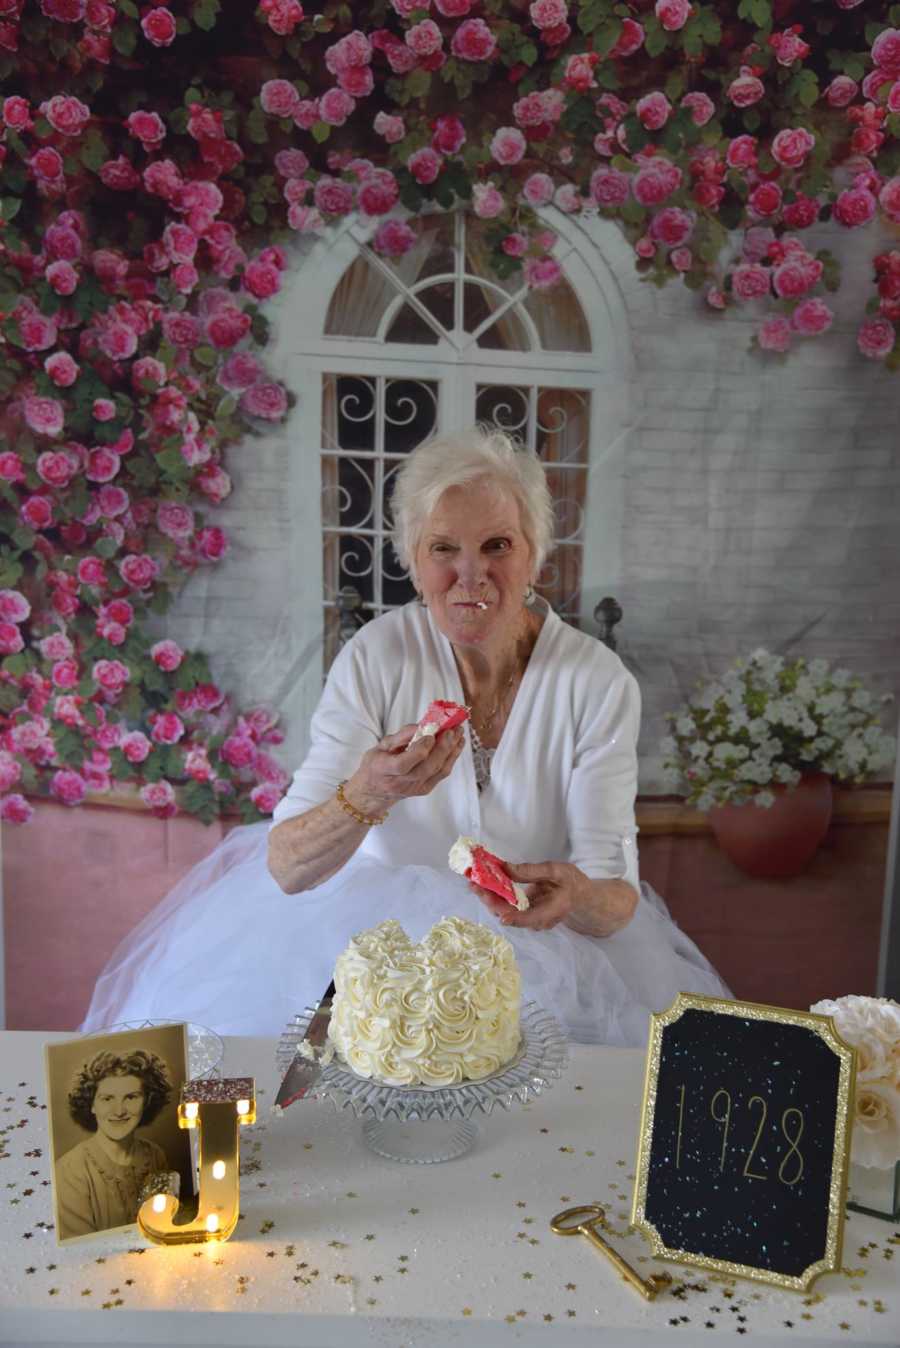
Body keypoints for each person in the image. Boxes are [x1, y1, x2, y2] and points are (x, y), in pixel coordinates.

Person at [83, 427, 728, 1044]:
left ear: (535, 555)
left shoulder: (596, 679)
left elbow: (614, 894)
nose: (470, 575)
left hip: (541, 958)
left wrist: (574, 896)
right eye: (443, 548)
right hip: (368, 952)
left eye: (497, 545)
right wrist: (365, 795)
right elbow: (285, 867)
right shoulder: (377, 654)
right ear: (414, 564)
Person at [55, 1049, 171, 1239]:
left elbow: (162, 1226)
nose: (119, 1111)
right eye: (107, 1099)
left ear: (147, 1101)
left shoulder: (155, 1155)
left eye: (131, 1097)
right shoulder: (70, 1171)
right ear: (91, 1104)